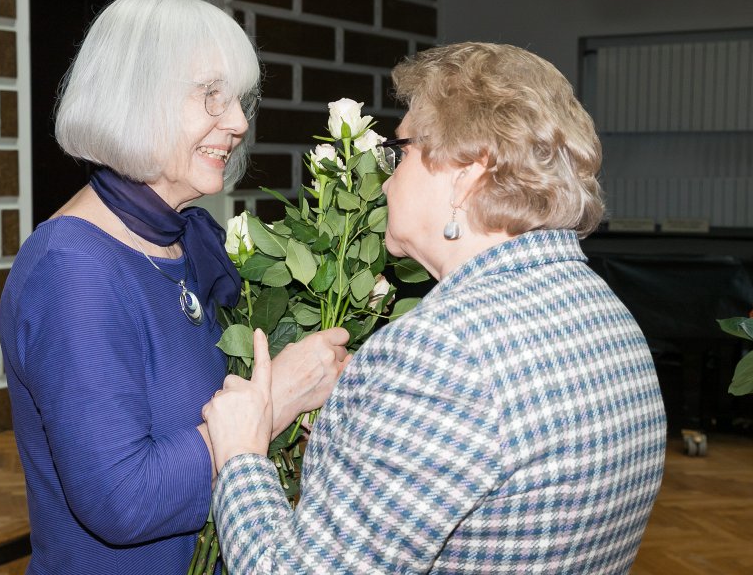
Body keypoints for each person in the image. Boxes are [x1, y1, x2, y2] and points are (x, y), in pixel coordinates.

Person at [203, 42, 667, 574]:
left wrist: (243, 453)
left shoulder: (441, 352)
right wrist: (364, 426)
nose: (388, 176)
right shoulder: (607, 311)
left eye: (400, 152)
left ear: (467, 174)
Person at [0, 0, 348, 574]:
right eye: (211, 96)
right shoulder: (73, 267)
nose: (237, 123)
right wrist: (273, 401)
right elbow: (123, 502)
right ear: (136, 98)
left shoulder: (184, 239)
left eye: (238, 99)